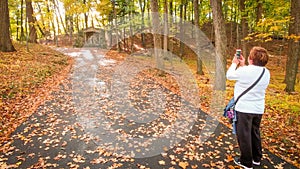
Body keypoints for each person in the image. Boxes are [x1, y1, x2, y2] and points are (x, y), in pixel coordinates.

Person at [226, 46, 270, 169]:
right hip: (258, 109)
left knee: (244, 135)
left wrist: (235, 63)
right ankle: (256, 158)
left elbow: (229, 75)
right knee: (254, 132)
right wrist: (244, 64)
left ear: (251, 58)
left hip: (244, 109)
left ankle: (246, 162)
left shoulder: (245, 71)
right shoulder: (266, 72)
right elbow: (250, 74)